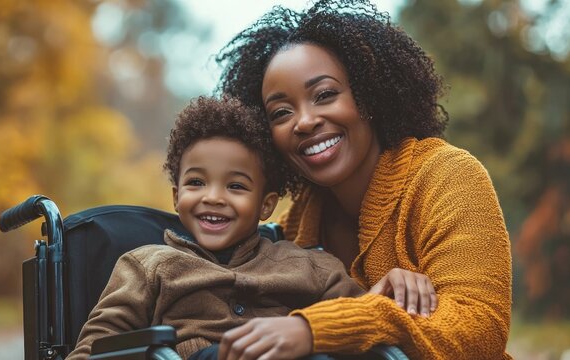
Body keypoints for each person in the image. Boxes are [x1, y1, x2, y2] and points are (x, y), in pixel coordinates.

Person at [214, 0, 513, 359]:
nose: (304, 122)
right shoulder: (294, 226)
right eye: (281, 113)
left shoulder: (447, 176)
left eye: (324, 95)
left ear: (368, 96)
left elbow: (481, 328)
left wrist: (319, 328)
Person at [65, 97, 436, 360]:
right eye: (196, 183)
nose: (213, 197)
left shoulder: (307, 264)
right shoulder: (149, 265)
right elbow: (97, 347)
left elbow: (362, 320)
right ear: (177, 196)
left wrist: (392, 285)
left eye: (236, 186)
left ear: (266, 205)